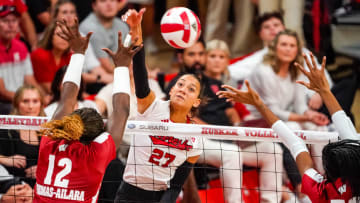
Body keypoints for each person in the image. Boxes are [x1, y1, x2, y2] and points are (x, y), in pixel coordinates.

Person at [217, 52, 359, 202]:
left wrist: (259, 105)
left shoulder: (321, 191)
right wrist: (324, 90)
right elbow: (343, 124)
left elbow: (295, 143)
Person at [33, 18, 141, 202]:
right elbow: (121, 111)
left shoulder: (50, 141)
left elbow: (66, 98)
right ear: (96, 136)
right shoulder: (96, 154)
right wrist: (122, 67)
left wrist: (77, 52)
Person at [114, 9, 203, 203]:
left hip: (160, 196)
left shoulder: (194, 138)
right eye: (180, 84)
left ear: (196, 101)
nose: (182, 89)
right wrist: (137, 34)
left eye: (190, 89)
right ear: (170, 90)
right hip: (129, 192)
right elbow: (140, 78)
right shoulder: (152, 108)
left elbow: (177, 184)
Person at [52, 0, 114, 93]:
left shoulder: (82, 36)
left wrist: (112, 79)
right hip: (62, 87)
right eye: (64, 12)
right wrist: (98, 78)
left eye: (72, 12)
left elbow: (94, 66)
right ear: (55, 16)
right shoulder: (52, 36)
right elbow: (63, 74)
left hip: (83, 85)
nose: (69, 16)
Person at [0, 3, 43, 114]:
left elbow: (30, 80)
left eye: (14, 21)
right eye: (5, 21)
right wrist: (26, 101)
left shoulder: (21, 47)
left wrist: (42, 97)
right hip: (5, 103)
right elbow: (2, 92)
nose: (11, 25)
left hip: (21, 100)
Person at [0, 85, 46, 187]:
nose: (30, 106)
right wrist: (5, 160)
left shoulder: (49, 131)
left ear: (41, 104)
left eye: (35, 101)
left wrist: (43, 170)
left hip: (43, 187)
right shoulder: (6, 130)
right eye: (25, 101)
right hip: (14, 186)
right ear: (17, 104)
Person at [80, 0, 129, 74]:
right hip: (97, 79)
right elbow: (106, 66)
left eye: (112, 0)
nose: (109, 4)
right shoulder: (89, 28)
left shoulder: (122, 25)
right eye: (103, 1)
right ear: (94, 6)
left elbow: (130, 57)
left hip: (120, 73)